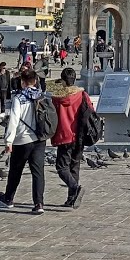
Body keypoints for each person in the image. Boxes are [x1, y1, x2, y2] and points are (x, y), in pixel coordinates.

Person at [0, 67, 48, 213]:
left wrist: (8, 141)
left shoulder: (19, 98)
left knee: (15, 170)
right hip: (39, 138)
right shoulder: (42, 96)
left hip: (22, 139)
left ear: (22, 82)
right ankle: (39, 203)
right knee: (38, 172)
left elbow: (13, 119)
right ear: (35, 81)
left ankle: (9, 198)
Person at [51, 67, 94, 209]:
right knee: (74, 166)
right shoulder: (82, 95)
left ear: (63, 80)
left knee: (61, 166)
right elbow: (91, 110)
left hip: (64, 134)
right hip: (80, 135)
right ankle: (71, 199)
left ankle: (74, 188)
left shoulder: (57, 97)